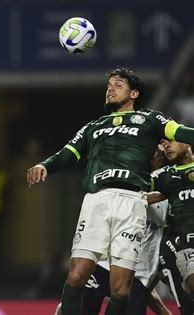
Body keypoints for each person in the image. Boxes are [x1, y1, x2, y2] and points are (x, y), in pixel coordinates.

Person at [27, 67, 194, 314]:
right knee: (76, 275)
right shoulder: (94, 126)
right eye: (108, 86)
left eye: (118, 84)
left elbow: (180, 133)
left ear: (134, 92)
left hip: (132, 202)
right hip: (97, 199)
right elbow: (68, 153)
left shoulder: (150, 119)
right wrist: (44, 165)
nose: (110, 89)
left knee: (121, 290)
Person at [54, 146, 172, 315]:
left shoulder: (171, 187)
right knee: (74, 308)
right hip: (103, 265)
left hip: (138, 278)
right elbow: (138, 198)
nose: (157, 151)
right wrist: (165, 193)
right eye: (151, 147)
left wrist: (162, 310)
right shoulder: (129, 179)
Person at [151, 139, 194, 314]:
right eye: (163, 143)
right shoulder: (164, 175)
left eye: (171, 140)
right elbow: (135, 189)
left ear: (188, 143)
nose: (166, 145)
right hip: (183, 244)